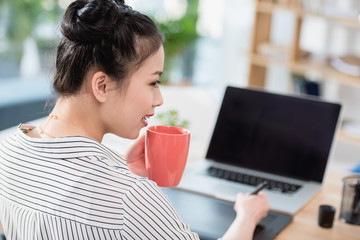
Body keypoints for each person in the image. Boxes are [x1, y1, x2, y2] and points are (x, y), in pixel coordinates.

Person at [0, 0, 270, 239]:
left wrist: (121, 171)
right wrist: (247, 216)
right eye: (153, 82)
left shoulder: (7, 152)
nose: (159, 98)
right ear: (102, 86)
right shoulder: (129, 197)